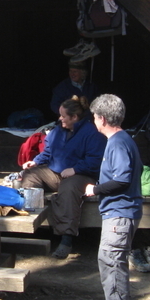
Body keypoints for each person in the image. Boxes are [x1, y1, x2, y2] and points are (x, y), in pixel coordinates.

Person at [21, 96, 106, 259]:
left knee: (68, 188)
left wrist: (75, 169)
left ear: (74, 117)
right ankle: (31, 224)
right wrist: (35, 161)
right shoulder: (58, 130)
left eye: (63, 116)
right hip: (56, 173)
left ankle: (66, 239)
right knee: (30, 177)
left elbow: (95, 161)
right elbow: (48, 152)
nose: (60, 119)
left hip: (82, 175)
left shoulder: (91, 132)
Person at [84, 94, 143, 300]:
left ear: (102, 119)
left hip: (120, 211)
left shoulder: (118, 143)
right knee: (108, 257)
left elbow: (122, 179)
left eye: (94, 118)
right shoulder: (120, 140)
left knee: (112, 258)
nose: (94, 122)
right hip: (119, 210)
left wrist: (95, 189)